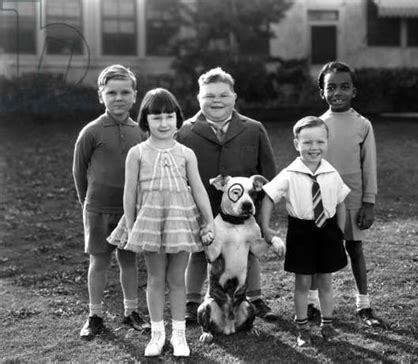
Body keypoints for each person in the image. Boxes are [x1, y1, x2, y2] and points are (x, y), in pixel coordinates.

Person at [107, 88, 214, 357]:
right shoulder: (138, 153)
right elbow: (129, 193)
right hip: (150, 222)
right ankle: (157, 335)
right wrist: (132, 228)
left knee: (177, 278)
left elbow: (198, 188)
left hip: (180, 219)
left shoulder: (186, 153)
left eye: (169, 117)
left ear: (178, 119)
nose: (164, 123)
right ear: (146, 121)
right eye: (157, 118)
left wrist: (209, 221)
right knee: (155, 278)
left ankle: (179, 336)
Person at [176, 67, 278, 322]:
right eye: (209, 96)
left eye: (223, 94)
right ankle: (192, 302)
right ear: (199, 98)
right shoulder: (185, 131)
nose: (216, 100)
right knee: (199, 253)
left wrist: (264, 220)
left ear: (235, 97)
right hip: (202, 208)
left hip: (242, 211)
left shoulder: (253, 128)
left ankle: (254, 298)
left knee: (248, 251)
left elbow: (269, 178)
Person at [72, 64, 149, 340]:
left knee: (129, 261)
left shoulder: (141, 131)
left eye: (125, 92)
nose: (119, 97)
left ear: (135, 95)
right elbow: (79, 171)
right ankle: (95, 315)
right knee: (99, 261)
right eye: (112, 92)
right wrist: (87, 203)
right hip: (98, 210)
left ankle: (131, 311)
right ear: (100, 96)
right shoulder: (91, 131)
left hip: (129, 211)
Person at [260, 116, 350, 346]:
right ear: (296, 144)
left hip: (328, 230)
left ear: (327, 143)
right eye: (307, 142)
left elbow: (341, 202)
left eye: (320, 142)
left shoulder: (331, 172)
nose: (314, 147)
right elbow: (269, 196)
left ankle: (327, 325)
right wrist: (266, 227)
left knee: (325, 282)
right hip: (302, 232)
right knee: (302, 283)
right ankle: (302, 329)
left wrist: (338, 231)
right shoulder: (290, 173)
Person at [307, 60, 381, 327]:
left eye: (344, 87)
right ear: (322, 92)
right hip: (322, 201)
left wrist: (368, 203)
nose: (337, 93)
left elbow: (368, 166)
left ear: (354, 91)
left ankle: (364, 304)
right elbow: (309, 164)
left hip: (353, 200)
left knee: (355, 248)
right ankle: (313, 303)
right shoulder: (316, 126)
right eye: (331, 87)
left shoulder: (363, 125)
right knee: (320, 252)